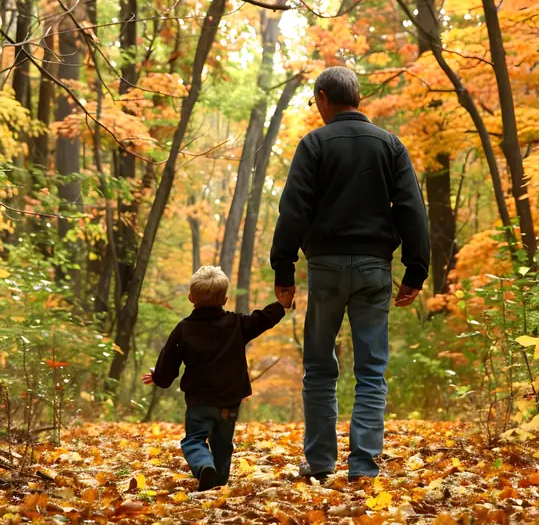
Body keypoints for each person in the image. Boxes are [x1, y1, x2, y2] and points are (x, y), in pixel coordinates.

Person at [270, 66, 430, 482]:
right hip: (375, 269)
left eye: (313, 101)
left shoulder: (314, 144)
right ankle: (363, 466)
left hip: (324, 268)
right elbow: (412, 209)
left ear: (323, 98)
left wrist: (283, 269)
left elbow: (294, 209)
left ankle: (321, 463)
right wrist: (416, 269)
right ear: (356, 98)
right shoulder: (390, 146)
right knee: (371, 370)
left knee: (320, 366)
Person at [142, 266, 292, 491]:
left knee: (194, 440)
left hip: (200, 402)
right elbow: (261, 319)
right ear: (225, 299)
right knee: (223, 445)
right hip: (229, 402)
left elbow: (169, 362)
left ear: (191, 297)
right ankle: (219, 482)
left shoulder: (184, 329)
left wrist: (158, 377)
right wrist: (280, 305)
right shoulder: (236, 324)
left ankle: (204, 467)